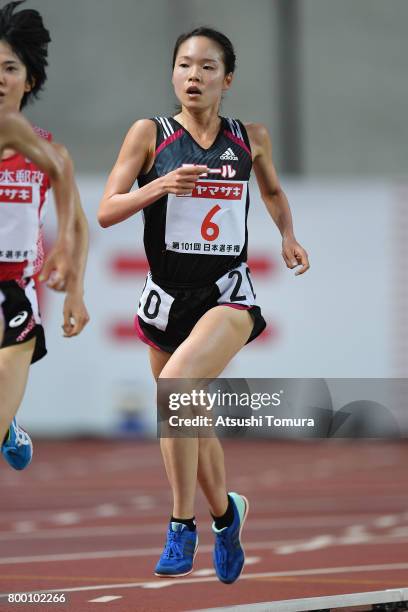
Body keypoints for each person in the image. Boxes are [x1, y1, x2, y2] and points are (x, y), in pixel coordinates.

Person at [98, 27, 310, 584]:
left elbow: (269, 192)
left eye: (208, 67)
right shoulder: (150, 134)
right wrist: (160, 186)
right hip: (165, 298)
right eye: (185, 65)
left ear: (227, 80)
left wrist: (286, 234)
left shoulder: (249, 136)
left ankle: (179, 524)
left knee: (177, 389)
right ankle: (227, 515)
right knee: (192, 420)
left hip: (226, 294)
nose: (195, 75)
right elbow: (107, 209)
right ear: (173, 74)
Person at [0, 1, 89, 470]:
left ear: (29, 80)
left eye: (9, 68)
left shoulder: (47, 149)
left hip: (16, 293)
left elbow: (75, 220)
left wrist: (74, 287)